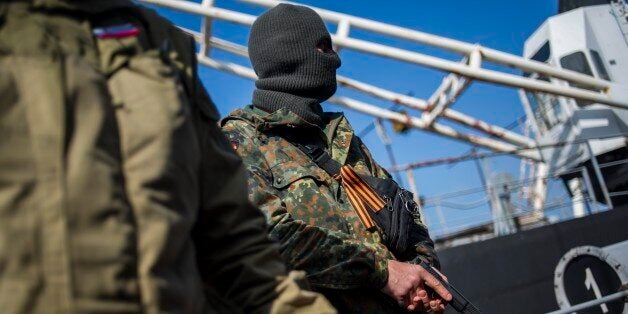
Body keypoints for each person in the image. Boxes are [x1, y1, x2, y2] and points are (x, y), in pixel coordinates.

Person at [0, 1, 335, 313]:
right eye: (320, 48)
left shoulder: (159, 45)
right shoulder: (244, 134)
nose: (334, 60)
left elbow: (233, 241)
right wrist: (377, 270)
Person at [221, 3, 451, 313]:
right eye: (324, 47)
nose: (337, 61)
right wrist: (383, 273)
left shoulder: (342, 138)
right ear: (289, 53)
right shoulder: (240, 141)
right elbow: (268, 238)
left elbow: (404, 215)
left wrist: (421, 275)